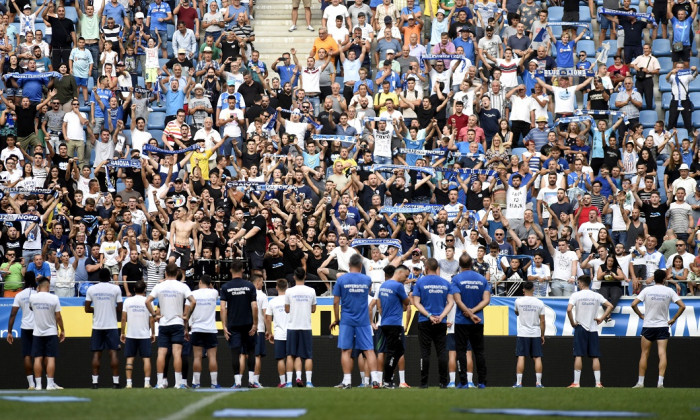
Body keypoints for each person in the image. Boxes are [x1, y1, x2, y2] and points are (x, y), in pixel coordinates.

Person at [330, 253, 380, 389]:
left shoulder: (341, 280)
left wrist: (336, 319)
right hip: (363, 319)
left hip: (347, 319)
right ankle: (375, 380)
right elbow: (367, 293)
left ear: (348, 265)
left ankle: (347, 381)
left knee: (346, 350)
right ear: (360, 266)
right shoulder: (367, 279)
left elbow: (335, 302)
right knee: (369, 350)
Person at [631, 269, 686, 388]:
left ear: (654, 278)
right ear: (664, 279)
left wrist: (641, 315)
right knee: (662, 354)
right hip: (662, 326)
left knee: (644, 354)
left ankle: (640, 383)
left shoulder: (647, 290)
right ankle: (660, 383)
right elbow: (682, 306)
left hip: (648, 325)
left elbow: (633, 304)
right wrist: (674, 318)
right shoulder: (669, 291)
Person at [145, 262, 196, 389]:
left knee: (161, 353)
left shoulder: (159, 286)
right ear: (177, 273)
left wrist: (154, 315)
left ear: (166, 273)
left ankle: (160, 383)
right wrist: (187, 316)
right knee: (177, 353)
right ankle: (178, 383)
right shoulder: (182, 286)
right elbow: (193, 301)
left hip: (163, 324)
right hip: (177, 323)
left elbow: (147, 301)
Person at [412, 257, 454, 388]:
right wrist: (441, 316)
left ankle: (424, 383)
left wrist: (429, 315)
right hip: (441, 322)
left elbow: (416, 303)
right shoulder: (446, 283)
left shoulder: (420, 282)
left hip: (425, 320)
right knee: (442, 352)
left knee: (425, 353)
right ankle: (443, 382)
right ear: (437, 269)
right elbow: (451, 302)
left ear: (426, 268)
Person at [566, 276, 614, 388]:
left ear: (581, 284)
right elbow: (610, 306)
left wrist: (573, 322)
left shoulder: (576, 295)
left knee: (578, 355)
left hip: (581, 326)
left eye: (578, 283)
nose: (578, 285)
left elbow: (569, 309)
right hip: (593, 328)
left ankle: (576, 383)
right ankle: (598, 383)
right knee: (595, 356)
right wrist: (602, 318)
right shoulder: (596, 295)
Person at [451, 254, 490, 388]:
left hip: (462, 320)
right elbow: (486, 300)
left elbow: (457, 300)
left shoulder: (456, 279)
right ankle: (482, 382)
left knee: (461, 351)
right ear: (472, 264)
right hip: (478, 321)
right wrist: (473, 312)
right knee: (479, 351)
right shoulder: (482, 279)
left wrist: (468, 313)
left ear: (460, 265)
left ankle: (463, 382)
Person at [220, 260, 258, 388]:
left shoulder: (225, 287)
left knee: (235, 352)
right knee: (251, 351)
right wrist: (255, 324)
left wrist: (224, 326)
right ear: (242, 270)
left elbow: (223, 308)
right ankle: (252, 381)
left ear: (231, 270)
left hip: (233, 325)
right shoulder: (250, 286)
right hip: (248, 323)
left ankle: (237, 382)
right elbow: (254, 306)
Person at [85, 267, 123, 389]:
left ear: (99, 277)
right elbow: (119, 308)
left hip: (97, 326)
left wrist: (97, 309)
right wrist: (110, 308)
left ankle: (95, 383)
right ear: (109, 277)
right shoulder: (115, 288)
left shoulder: (92, 289)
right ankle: (116, 383)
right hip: (111, 325)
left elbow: (86, 309)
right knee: (113, 353)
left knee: (96, 354)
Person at [376, 265, 410, 388]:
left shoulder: (383, 285)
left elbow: (379, 304)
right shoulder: (398, 286)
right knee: (394, 352)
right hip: (395, 324)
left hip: (384, 323)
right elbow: (407, 303)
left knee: (392, 351)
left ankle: (386, 379)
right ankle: (387, 380)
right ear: (399, 272)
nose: (406, 279)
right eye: (406, 276)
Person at [29, 276, 65, 390]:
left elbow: (31, 309)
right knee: (50, 358)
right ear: (48, 287)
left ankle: (38, 385)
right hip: (51, 331)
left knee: (37, 358)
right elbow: (58, 317)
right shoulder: (54, 298)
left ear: (39, 287)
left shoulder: (32, 298)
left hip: (37, 332)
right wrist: (62, 330)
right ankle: (49, 384)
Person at [284, 268, 317, 387]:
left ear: (294, 277)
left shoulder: (289, 291)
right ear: (305, 277)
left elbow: (287, 309)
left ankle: (288, 382)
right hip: (306, 326)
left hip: (292, 326)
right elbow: (313, 309)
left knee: (291, 354)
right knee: (307, 355)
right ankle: (308, 382)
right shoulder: (311, 291)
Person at [120, 280, 155, 389]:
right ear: (145, 290)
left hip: (131, 334)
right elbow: (152, 320)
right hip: (144, 334)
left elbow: (123, 318)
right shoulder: (148, 301)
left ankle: (129, 383)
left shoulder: (127, 301)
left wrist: (122, 332)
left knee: (130, 359)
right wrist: (153, 332)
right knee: (146, 359)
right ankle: (146, 383)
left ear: (134, 289)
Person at [6, 272, 37, 390]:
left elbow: (13, 314)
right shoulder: (39, 294)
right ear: (34, 279)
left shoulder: (19, 295)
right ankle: (44, 383)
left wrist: (9, 331)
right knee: (41, 355)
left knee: (27, 355)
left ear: (24, 280)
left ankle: (31, 384)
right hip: (38, 327)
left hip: (26, 327)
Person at [189, 274, 221, 389]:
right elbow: (213, 289)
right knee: (212, 357)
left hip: (197, 328)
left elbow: (188, 311)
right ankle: (214, 383)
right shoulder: (214, 293)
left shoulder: (193, 294)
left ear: (200, 282)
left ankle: (196, 383)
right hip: (210, 329)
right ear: (210, 284)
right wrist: (211, 285)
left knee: (197, 357)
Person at [513, 281, 545, 388]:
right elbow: (542, 321)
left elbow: (516, 312)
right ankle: (539, 383)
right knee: (537, 357)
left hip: (523, 333)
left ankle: (518, 383)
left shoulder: (518, 301)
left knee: (521, 357)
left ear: (523, 290)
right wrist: (542, 335)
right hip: (535, 333)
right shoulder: (539, 303)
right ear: (534, 289)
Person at [265, 279, 291, 388]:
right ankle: (289, 382)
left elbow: (267, 318)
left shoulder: (272, 302)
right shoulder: (291, 300)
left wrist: (269, 333)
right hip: (291, 332)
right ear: (287, 287)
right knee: (290, 357)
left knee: (280, 358)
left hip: (279, 333)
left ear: (276, 287)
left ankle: (283, 381)